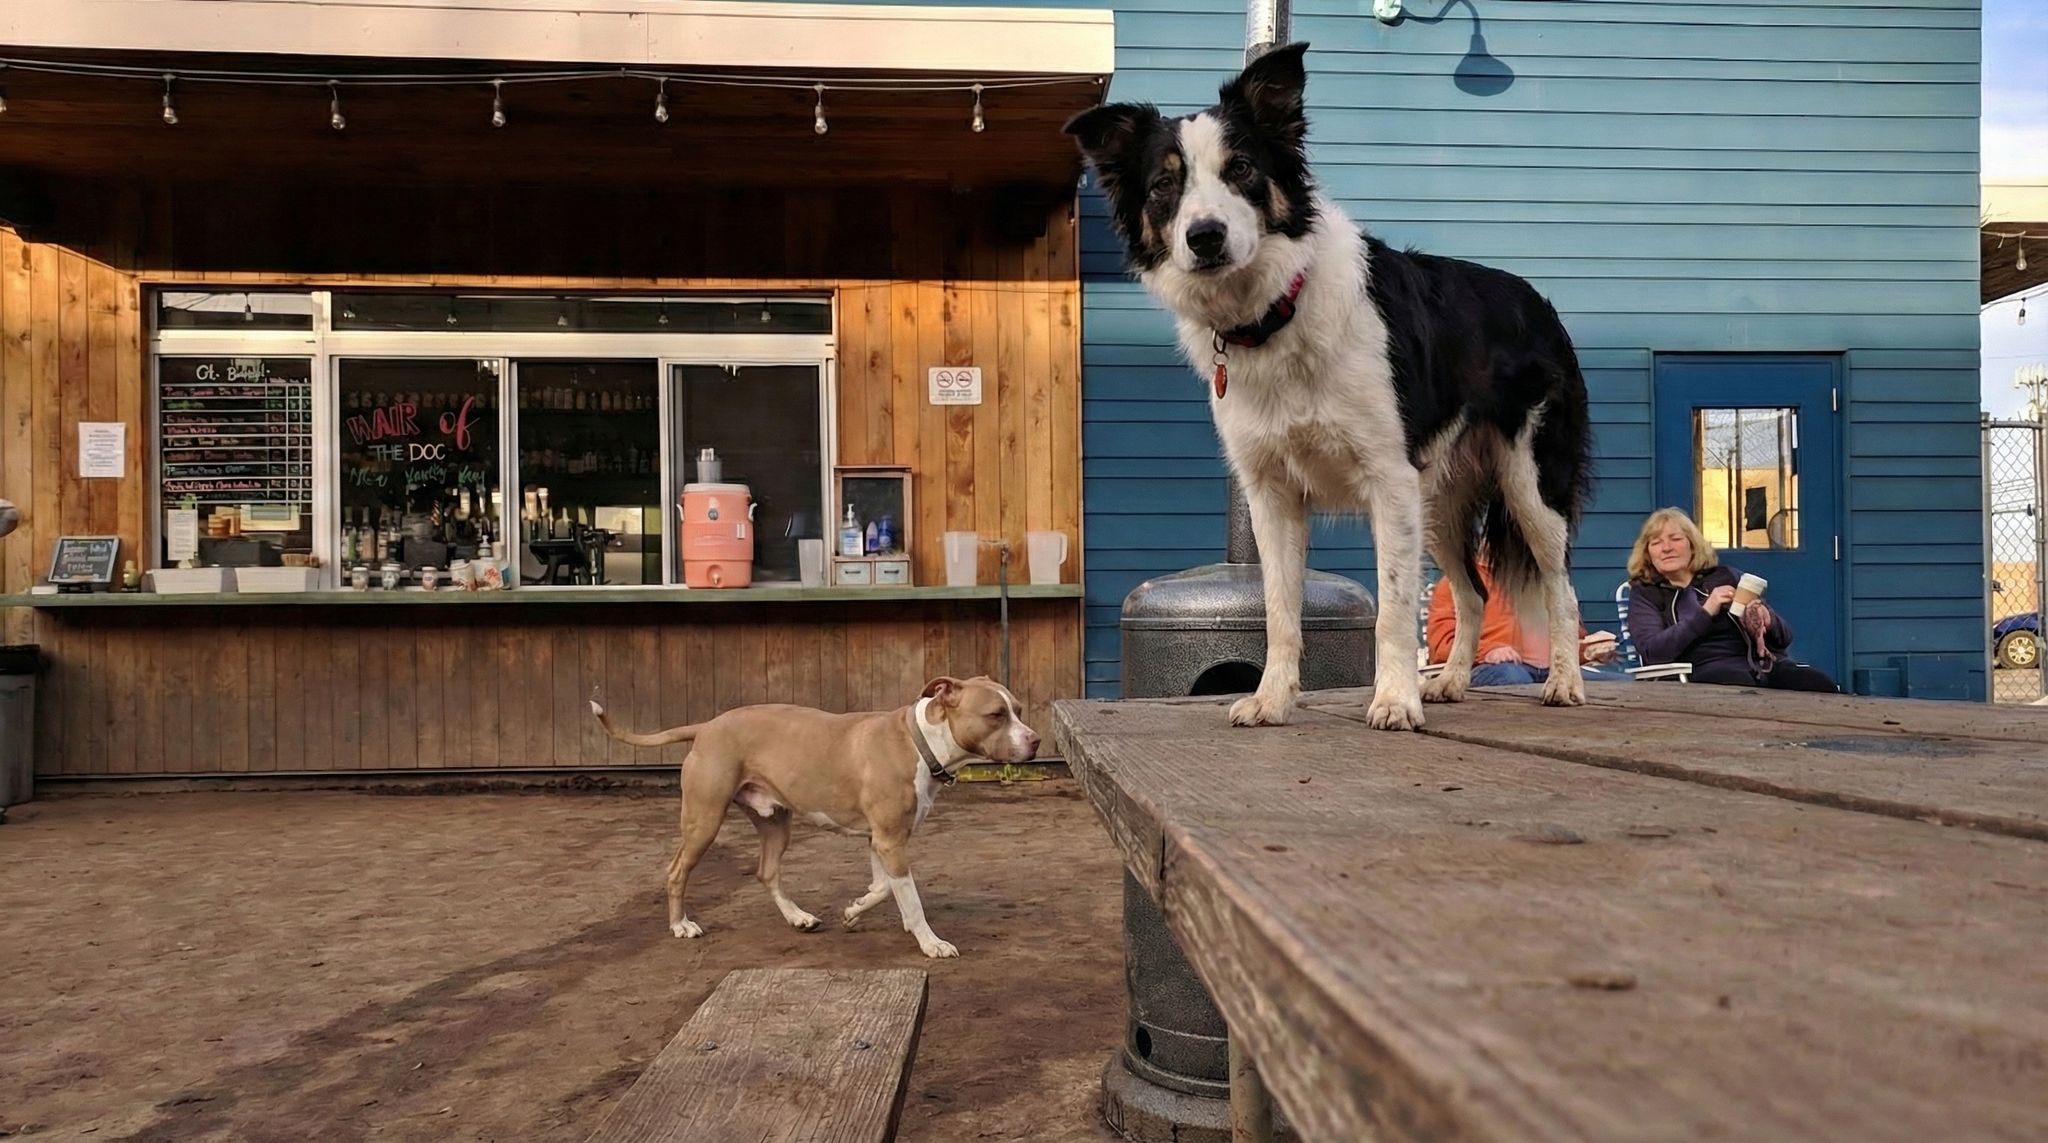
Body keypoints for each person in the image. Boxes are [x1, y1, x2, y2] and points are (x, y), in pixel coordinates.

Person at [1624, 507, 1839, 692]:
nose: (1666, 548)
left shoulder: (1726, 576)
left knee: (1817, 683)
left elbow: (1784, 638)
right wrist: (1705, 612)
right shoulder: (1646, 593)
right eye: (1656, 542)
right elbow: (1654, 651)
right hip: (1703, 670)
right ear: (1647, 553)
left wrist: (1766, 618)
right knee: (1739, 687)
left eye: (1676, 539)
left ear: (1692, 545)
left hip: (1762, 664)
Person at [1427, 554, 1615, 686]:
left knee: (1619, 682)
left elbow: (1568, 641)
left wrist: (1589, 650)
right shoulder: (1458, 583)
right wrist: (1488, 651)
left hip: (1553, 671)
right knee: (1513, 677)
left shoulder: (1545, 583)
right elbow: (1441, 646)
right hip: (1494, 669)